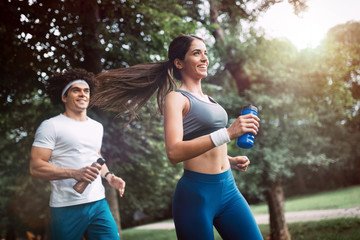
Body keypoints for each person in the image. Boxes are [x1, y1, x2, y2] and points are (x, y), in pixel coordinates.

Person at [91, 34, 262, 240]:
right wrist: (228, 133)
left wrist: (229, 160)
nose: (204, 58)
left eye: (205, 53)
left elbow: (204, 144)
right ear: (179, 62)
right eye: (196, 53)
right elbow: (174, 152)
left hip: (228, 190)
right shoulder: (175, 98)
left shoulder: (210, 100)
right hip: (196, 196)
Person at [29, 68, 126, 240]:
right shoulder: (51, 126)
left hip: (98, 204)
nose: (83, 94)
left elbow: (96, 156)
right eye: (76, 90)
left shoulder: (97, 127)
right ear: (64, 97)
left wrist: (109, 177)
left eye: (86, 91)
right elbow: (36, 167)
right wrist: (74, 173)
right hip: (66, 207)